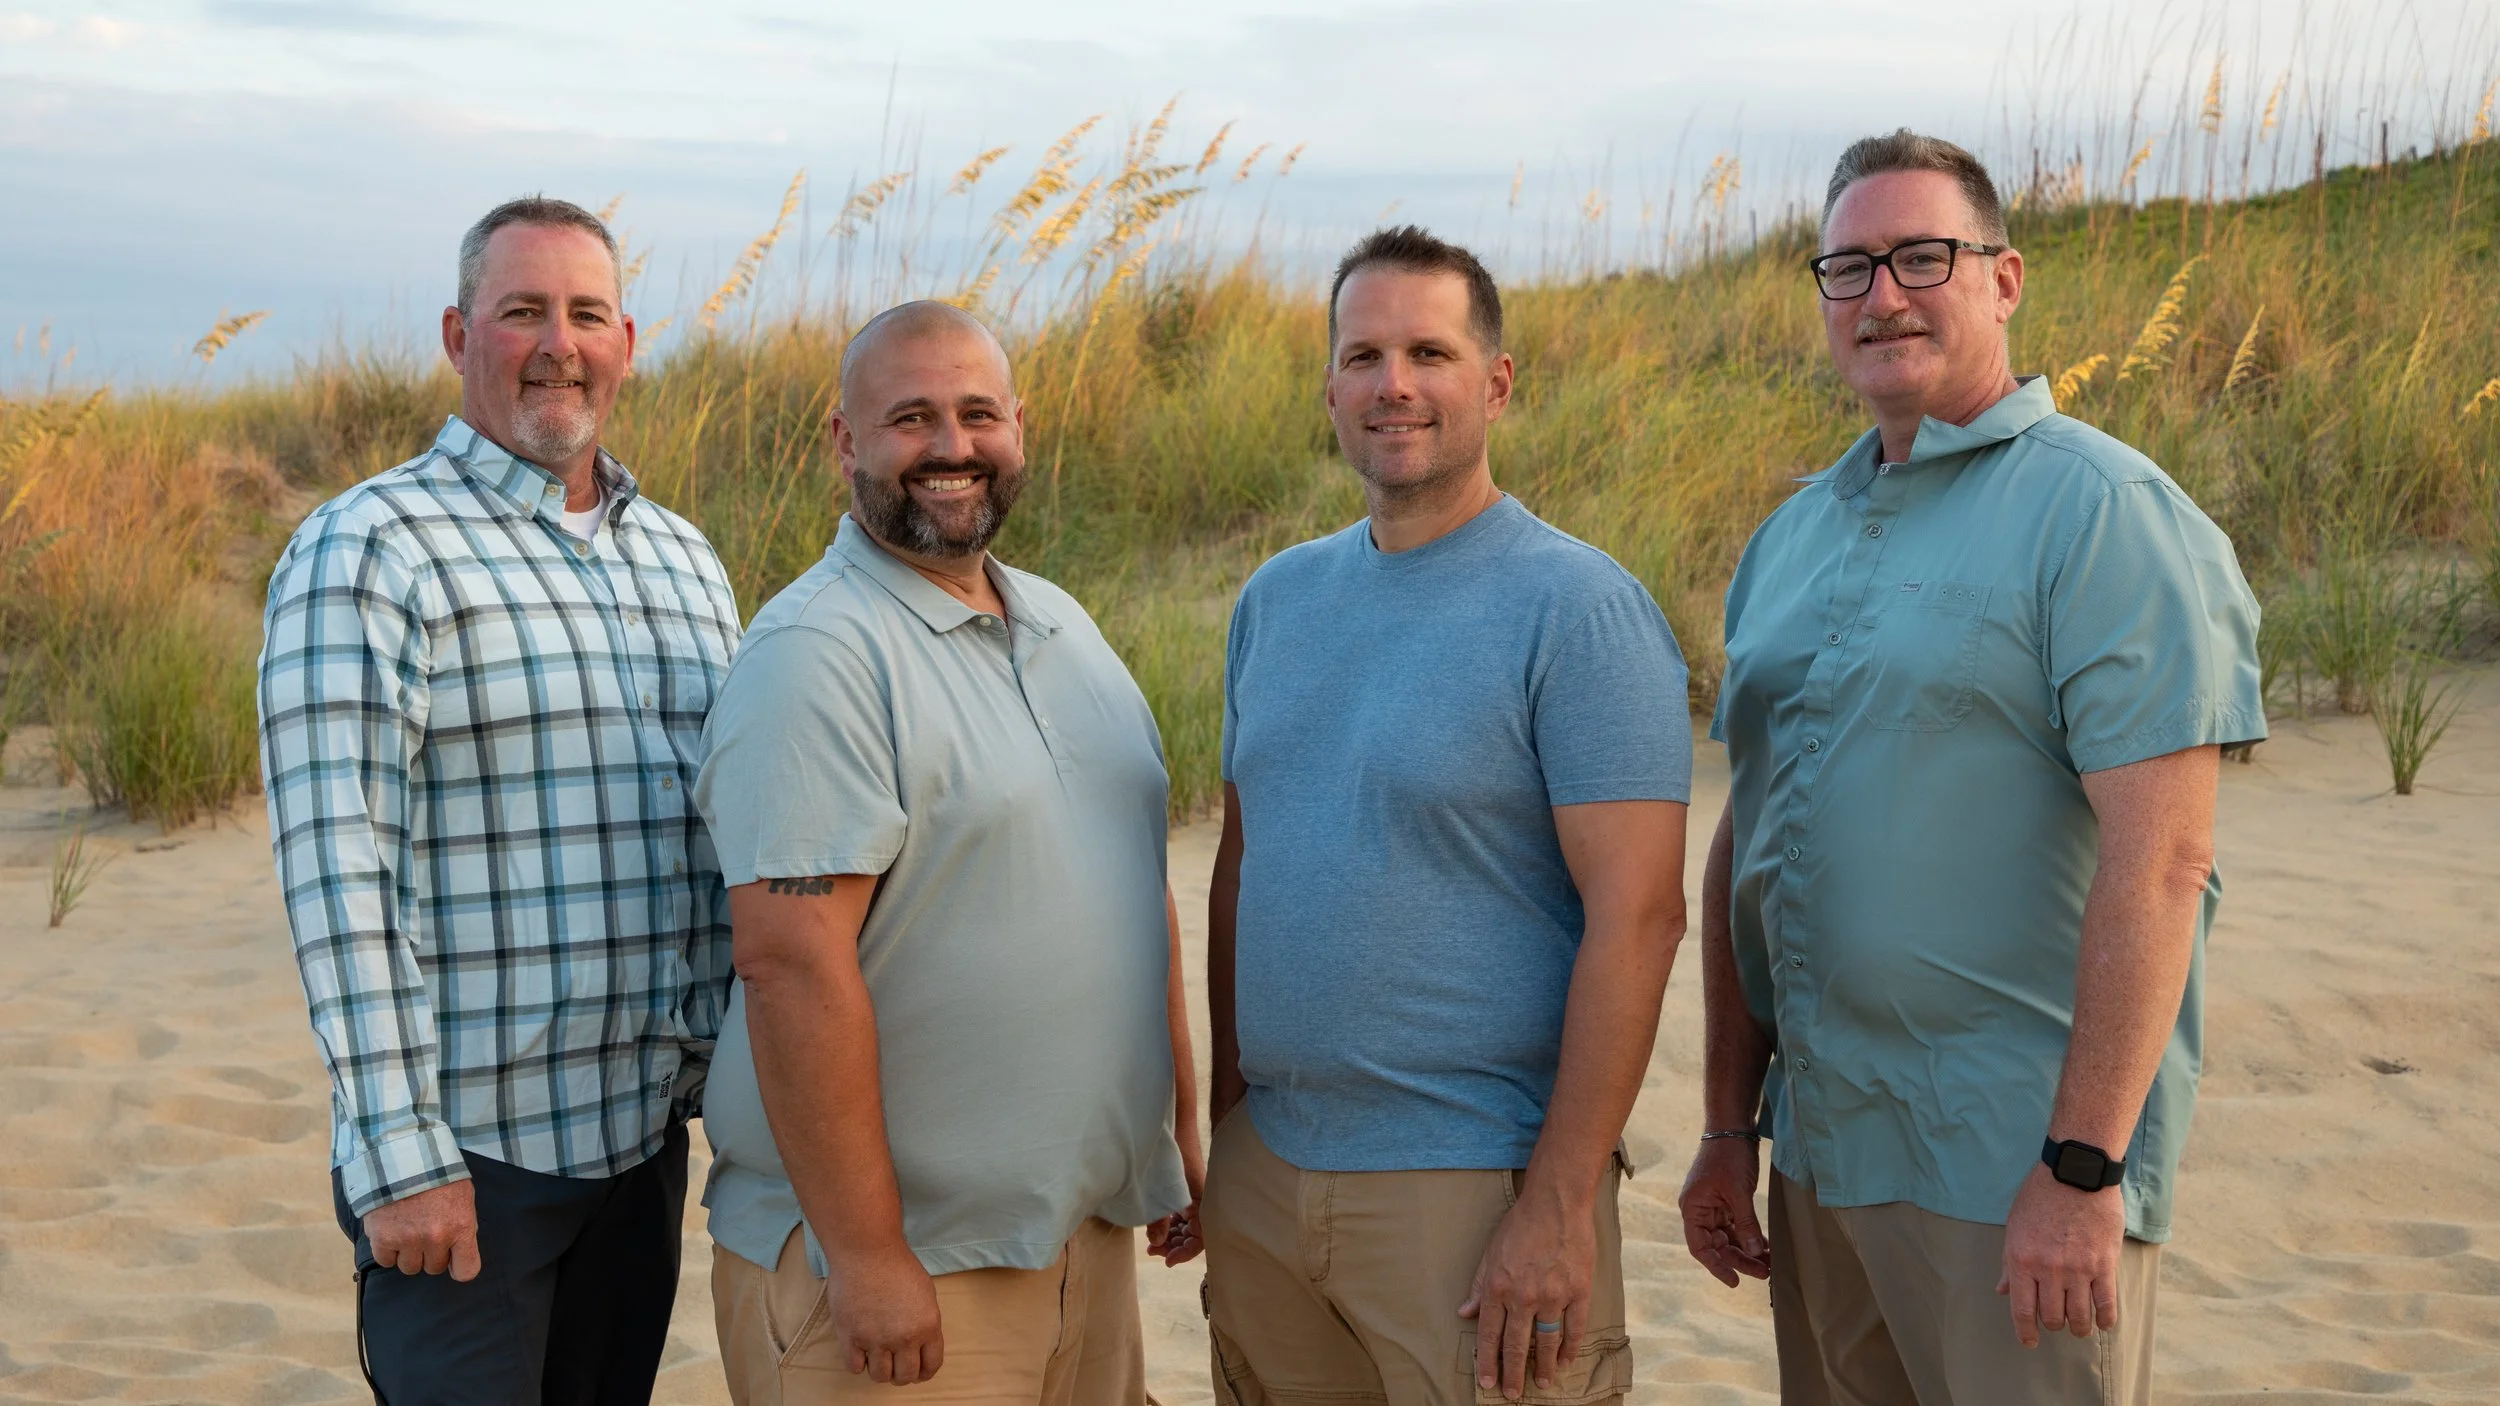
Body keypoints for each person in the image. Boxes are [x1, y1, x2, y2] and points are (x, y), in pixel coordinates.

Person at [1676, 130, 2266, 1405]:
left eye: (1921, 257)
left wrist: (2083, 1167)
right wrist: (1731, 1125)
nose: (1882, 294)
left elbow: (2163, 858)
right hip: (1823, 1166)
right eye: (1848, 268)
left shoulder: (2105, 515)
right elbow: (1750, 841)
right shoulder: (1790, 538)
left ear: (2002, 278)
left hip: (2012, 1182)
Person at [258, 196, 743, 1403]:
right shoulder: (370, 546)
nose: (556, 343)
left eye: (585, 314)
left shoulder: (684, 560)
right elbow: (340, 874)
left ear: (626, 339)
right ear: (456, 333)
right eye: (521, 310)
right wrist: (398, 1154)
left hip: (641, 1147)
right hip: (472, 1165)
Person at [1202, 227, 1693, 1406]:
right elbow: (1242, 866)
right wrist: (1227, 1125)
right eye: (1362, 354)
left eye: (1429, 350)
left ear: (1496, 381)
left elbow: (1641, 916)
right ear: (1329, 383)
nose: (1394, 384)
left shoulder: (1577, 608)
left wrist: (1560, 1202)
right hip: (1271, 1171)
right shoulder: (1276, 599)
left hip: (1473, 1185)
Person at [693, 300, 1200, 1406]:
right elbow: (789, 964)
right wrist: (868, 1255)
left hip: (1077, 1244)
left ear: (1020, 427)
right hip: (895, 1276)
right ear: (843, 442)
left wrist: (1171, 1136)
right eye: (910, 418)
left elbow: (1131, 891)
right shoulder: (816, 656)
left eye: (977, 414)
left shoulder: (1065, 626)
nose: (951, 447)